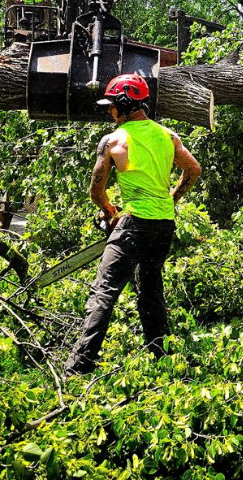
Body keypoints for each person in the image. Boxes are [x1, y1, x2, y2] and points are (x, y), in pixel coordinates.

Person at [65, 73, 202, 374]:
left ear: (124, 105)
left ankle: (79, 366)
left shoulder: (114, 140)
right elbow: (193, 170)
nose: (109, 111)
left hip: (134, 222)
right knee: (151, 290)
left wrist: (108, 209)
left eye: (112, 105)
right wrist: (172, 199)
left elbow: (96, 191)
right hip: (163, 223)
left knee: (105, 291)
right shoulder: (168, 135)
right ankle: (162, 356)